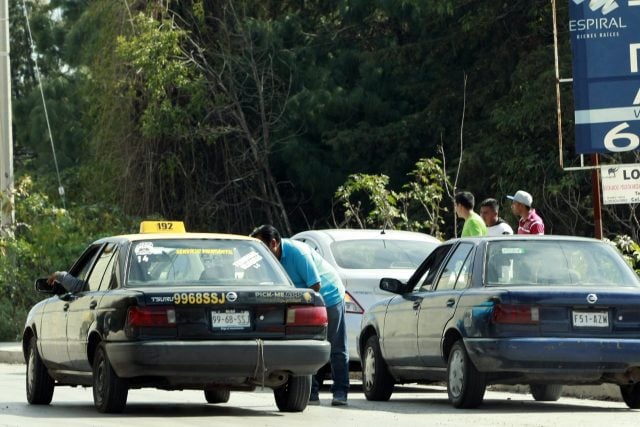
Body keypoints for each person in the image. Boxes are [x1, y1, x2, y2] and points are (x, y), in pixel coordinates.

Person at [250, 224, 349, 407]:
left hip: (328, 297)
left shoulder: (298, 253)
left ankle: (340, 392)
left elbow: (315, 286)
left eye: (261, 247)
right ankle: (312, 393)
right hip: (301, 299)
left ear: (273, 243)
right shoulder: (267, 259)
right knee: (309, 346)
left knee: (335, 346)